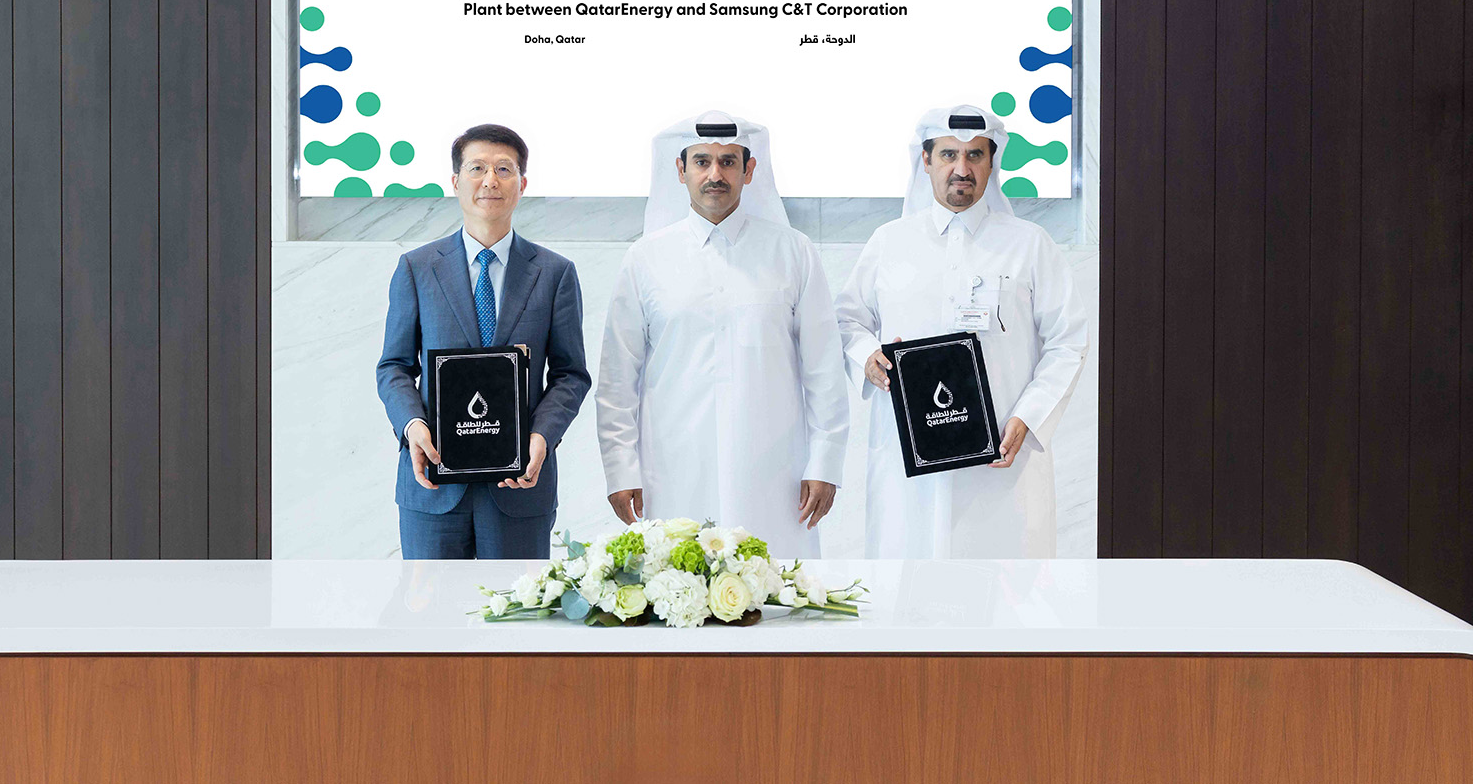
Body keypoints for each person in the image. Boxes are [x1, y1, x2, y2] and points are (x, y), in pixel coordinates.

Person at [835, 104, 1087, 558]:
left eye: (975, 155)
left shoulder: (1030, 244)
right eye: (949, 154)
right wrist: (869, 357)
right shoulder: (889, 242)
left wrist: (1028, 416)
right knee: (907, 581)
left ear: (992, 163)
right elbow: (847, 320)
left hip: (1001, 464)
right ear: (926, 160)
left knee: (1003, 586)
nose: (962, 169)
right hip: (908, 467)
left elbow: (1067, 341)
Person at [595, 111, 849, 558]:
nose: (716, 174)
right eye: (702, 162)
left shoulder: (793, 251)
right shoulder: (645, 258)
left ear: (749, 171)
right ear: (681, 170)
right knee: (679, 586)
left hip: (774, 475)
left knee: (776, 587)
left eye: (729, 162)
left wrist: (825, 462)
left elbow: (824, 369)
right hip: (673, 470)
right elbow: (618, 379)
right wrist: (621, 470)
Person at [377, 124, 591, 559]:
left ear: (522, 184)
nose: (490, 180)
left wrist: (542, 436)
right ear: (455, 182)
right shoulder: (417, 268)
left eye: (504, 169)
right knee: (427, 603)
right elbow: (394, 367)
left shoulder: (555, 273)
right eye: (477, 168)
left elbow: (570, 374)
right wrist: (412, 426)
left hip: (519, 485)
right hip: (433, 483)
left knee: (516, 604)